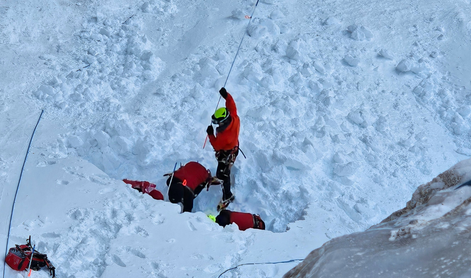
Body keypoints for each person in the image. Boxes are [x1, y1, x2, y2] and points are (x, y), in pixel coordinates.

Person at [206, 87, 240, 210]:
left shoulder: (224, 136)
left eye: (218, 122)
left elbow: (216, 145)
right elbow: (231, 104)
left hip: (227, 153)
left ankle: (227, 196)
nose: (217, 124)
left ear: (224, 121)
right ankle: (220, 178)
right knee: (222, 169)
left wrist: (210, 134)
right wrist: (226, 95)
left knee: (223, 172)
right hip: (234, 147)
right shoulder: (234, 116)